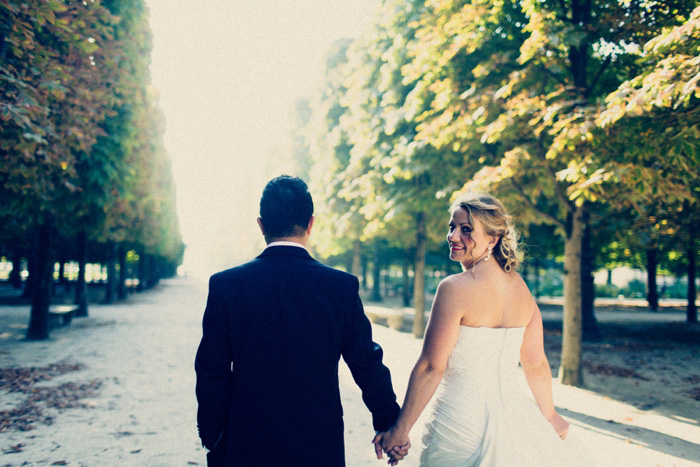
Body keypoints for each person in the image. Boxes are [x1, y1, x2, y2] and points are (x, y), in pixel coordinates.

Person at [194, 175, 405, 466]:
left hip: (246, 439)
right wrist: (390, 422)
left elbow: (211, 370)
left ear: (261, 225)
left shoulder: (226, 286)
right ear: (311, 224)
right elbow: (366, 362)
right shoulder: (340, 287)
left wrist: (213, 436)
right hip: (318, 441)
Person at [373, 192, 584, 466]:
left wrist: (400, 431)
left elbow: (431, 367)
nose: (453, 236)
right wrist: (550, 415)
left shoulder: (453, 288)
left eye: (466, 229)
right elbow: (535, 363)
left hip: (459, 424)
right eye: (452, 227)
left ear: (493, 239)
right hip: (515, 421)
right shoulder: (521, 288)